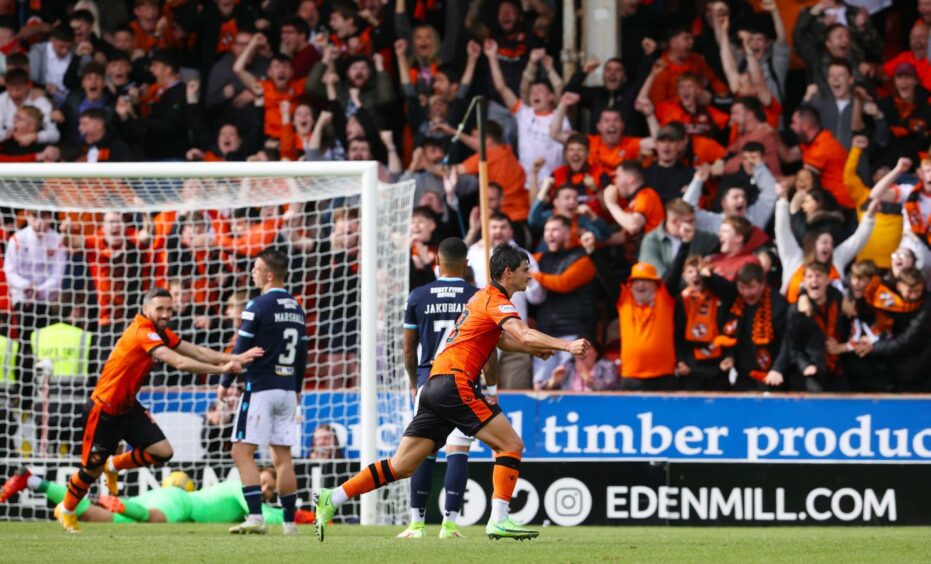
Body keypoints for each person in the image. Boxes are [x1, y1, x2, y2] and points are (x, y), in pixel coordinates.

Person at [313, 243, 591, 542]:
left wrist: (538, 350)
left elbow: (501, 341)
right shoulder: (494, 299)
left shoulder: (481, 299)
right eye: (526, 271)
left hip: (434, 385)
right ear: (508, 272)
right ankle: (498, 519)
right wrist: (566, 345)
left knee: (402, 465)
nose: (530, 277)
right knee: (510, 445)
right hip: (456, 384)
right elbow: (522, 333)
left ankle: (335, 497)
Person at [55, 287, 262, 533]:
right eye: (160, 309)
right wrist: (222, 370)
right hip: (104, 409)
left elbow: (196, 351)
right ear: (145, 310)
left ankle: (113, 465)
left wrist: (236, 358)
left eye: (169, 309)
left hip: (128, 407)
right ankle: (66, 510)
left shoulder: (159, 331)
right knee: (90, 470)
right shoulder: (143, 331)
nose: (165, 314)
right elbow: (179, 361)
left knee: (162, 451)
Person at [218, 248, 307, 536]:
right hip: (287, 389)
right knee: (283, 458)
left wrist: (224, 384)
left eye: (256, 268)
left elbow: (240, 349)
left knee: (241, 451)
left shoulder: (257, 305)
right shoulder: (296, 307)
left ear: (269, 274)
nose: (252, 272)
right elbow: (302, 355)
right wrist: (297, 390)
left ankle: (256, 517)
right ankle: (290, 524)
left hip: (260, 388)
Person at [398, 237, 478, 540]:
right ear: (466, 265)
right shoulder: (476, 296)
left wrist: (412, 381)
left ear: (436, 263)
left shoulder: (418, 295)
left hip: (428, 380)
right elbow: (490, 349)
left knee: (422, 452)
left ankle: (416, 525)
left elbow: (408, 348)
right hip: (463, 381)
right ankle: (449, 525)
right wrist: (491, 385)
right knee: (458, 452)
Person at [2, 467, 305, 525]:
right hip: (179, 503)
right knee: (155, 520)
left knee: (89, 515)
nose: (264, 490)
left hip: (161, 495)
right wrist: (304, 517)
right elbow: (266, 517)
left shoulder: (241, 489)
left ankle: (33, 481)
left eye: (269, 490)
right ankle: (122, 504)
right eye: (265, 483)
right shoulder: (242, 485)